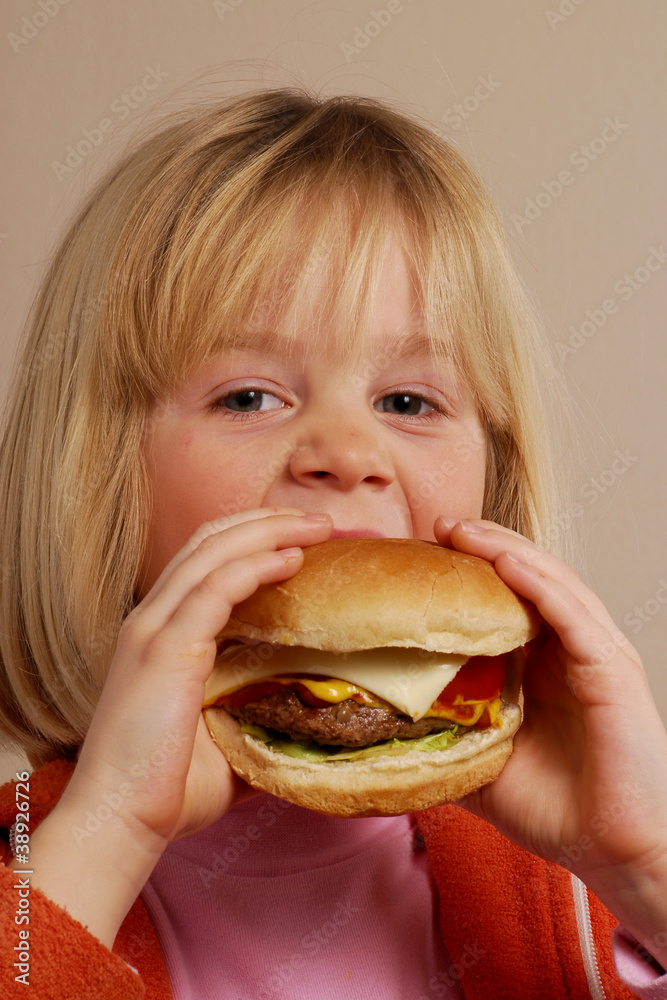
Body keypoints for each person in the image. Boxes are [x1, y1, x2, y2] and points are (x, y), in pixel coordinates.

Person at [1, 87, 666, 1000]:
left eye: (408, 402)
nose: (348, 456)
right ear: (99, 480)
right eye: (247, 396)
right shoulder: (38, 869)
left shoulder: (600, 907)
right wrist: (104, 833)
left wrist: (642, 865)